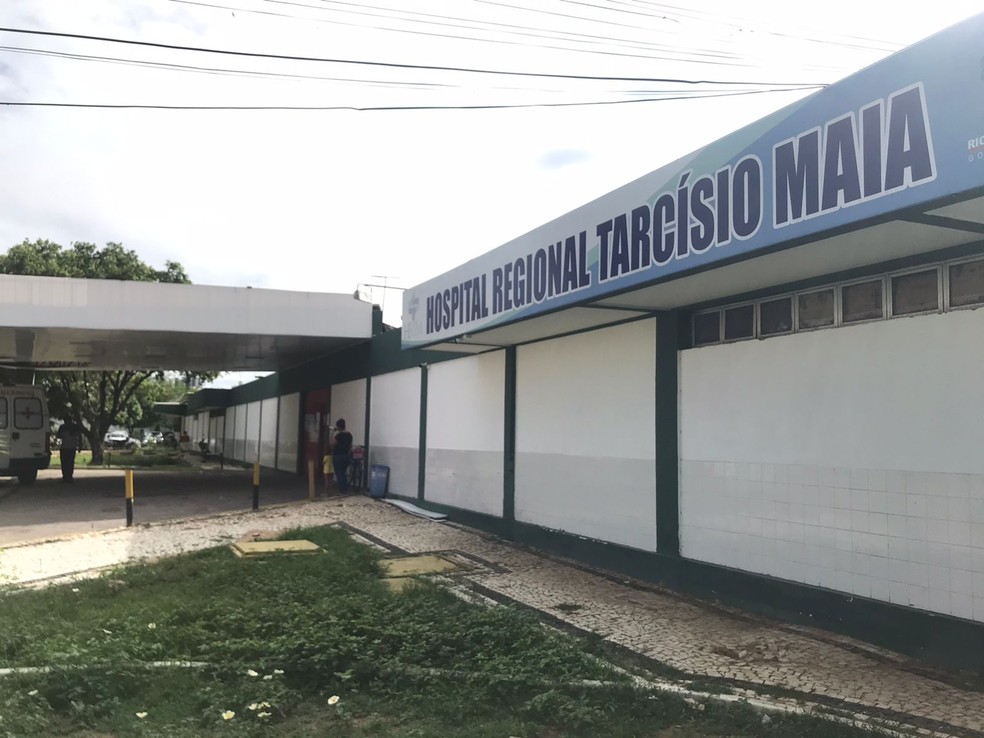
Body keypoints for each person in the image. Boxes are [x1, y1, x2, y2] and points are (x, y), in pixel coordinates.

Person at [331, 419, 354, 493]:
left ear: (338, 427)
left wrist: (333, 434)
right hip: (346, 456)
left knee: (339, 473)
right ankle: (345, 488)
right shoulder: (349, 435)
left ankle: (342, 489)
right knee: (343, 472)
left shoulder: (338, 435)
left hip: (338, 456)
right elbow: (350, 446)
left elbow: (333, 444)